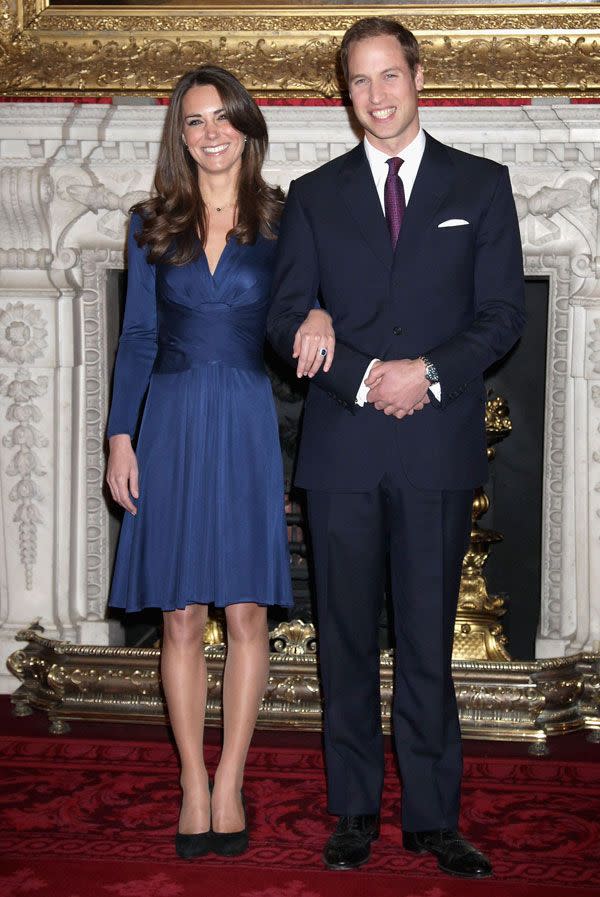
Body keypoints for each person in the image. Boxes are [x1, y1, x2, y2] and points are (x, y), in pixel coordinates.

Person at [267, 17, 525, 879]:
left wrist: (428, 373)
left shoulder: (481, 187)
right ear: (345, 95)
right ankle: (352, 811)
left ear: (417, 76)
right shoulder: (313, 194)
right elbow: (285, 315)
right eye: (357, 82)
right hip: (341, 448)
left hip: (437, 445)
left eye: (388, 76)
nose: (375, 96)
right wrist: (362, 367)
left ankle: (431, 817)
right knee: (342, 637)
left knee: (425, 637)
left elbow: (502, 317)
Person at [105, 65, 319, 860]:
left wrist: (322, 310)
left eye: (223, 117)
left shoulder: (288, 220)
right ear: (180, 135)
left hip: (243, 417)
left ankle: (233, 779)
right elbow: (136, 337)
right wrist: (120, 436)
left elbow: (300, 311)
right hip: (170, 419)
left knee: (247, 612)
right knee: (181, 614)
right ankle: (193, 780)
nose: (211, 133)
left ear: (247, 126)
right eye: (195, 121)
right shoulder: (150, 222)